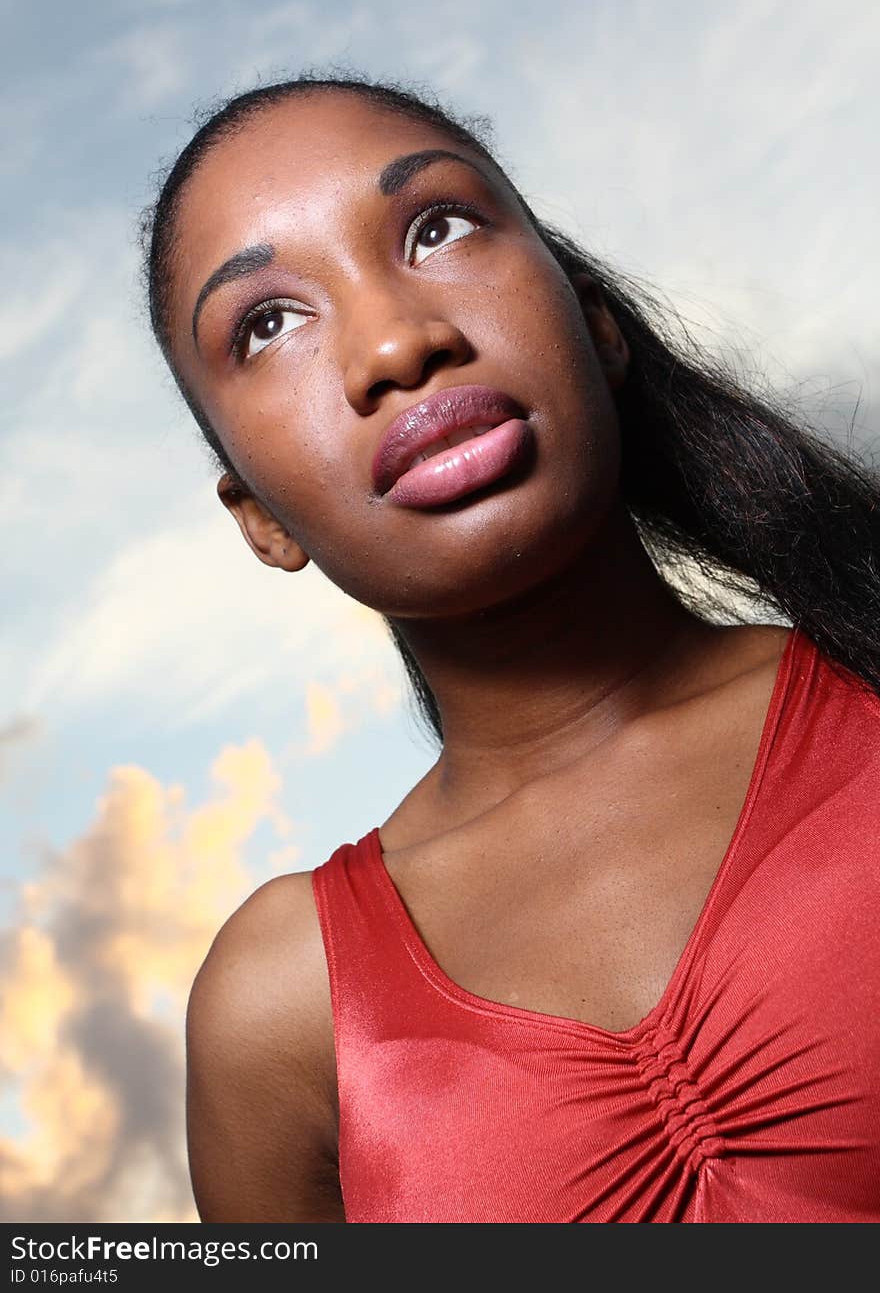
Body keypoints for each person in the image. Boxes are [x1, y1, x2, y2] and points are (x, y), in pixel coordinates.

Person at [141, 72, 880, 1223]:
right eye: (267, 323)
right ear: (260, 518)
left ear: (594, 320)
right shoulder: (279, 1010)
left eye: (435, 228)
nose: (394, 343)